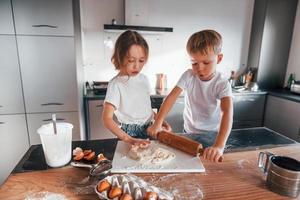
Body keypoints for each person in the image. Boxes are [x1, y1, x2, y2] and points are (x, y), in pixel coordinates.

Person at [147, 30, 233, 162]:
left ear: (219, 58)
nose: (200, 68)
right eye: (194, 63)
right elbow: (170, 98)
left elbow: (227, 112)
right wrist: (158, 122)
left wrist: (219, 146)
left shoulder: (221, 83)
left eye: (206, 62)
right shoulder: (188, 76)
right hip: (189, 131)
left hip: (213, 135)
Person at [102, 30, 170, 146]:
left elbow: (146, 109)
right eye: (131, 60)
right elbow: (107, 119)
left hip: (150, 129)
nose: (137, 66)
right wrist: (129, 140)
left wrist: (160, 121)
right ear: (120, 57)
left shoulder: (144, 79)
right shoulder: (116, 84)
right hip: (129, 135)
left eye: (141, 60)